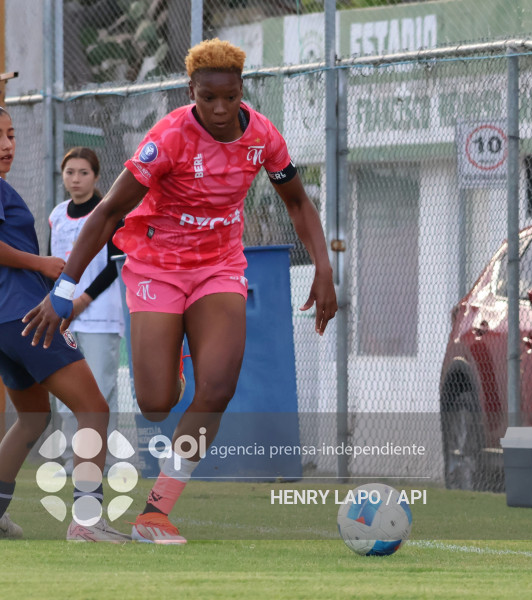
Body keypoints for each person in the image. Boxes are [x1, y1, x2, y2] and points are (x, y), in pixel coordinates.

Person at [22, 39, 338, 544]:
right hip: (157, 266)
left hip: (219, 267)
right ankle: (172, 355)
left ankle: (156, 511)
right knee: (154, 403)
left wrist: (323, 268)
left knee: (217, 388)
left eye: (229, 97)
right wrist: (65, 288)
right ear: (191, 91)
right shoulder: (168, 136)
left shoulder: (262, 136)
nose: (219, 108)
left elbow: (298, 202)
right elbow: (106, 214)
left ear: (241, 92)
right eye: (208, 97)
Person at [0, 96, 129, 542]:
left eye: (11, 135)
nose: (7, 144)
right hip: (24, 318)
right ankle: (87, 521)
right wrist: (40, 265)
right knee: (94, 409)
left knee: (31, 419)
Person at [49, 147, 124, 472]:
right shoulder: (57, 215)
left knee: (101, 388)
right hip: (64, 318)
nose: (76, 179)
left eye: (83, 172)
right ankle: (71, 458)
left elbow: (114, 265)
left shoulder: (110, 212)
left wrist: (83, 300)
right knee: (66, 390)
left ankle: (102, 459)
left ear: (95, 177)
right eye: (70, 172)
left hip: (100, 315)